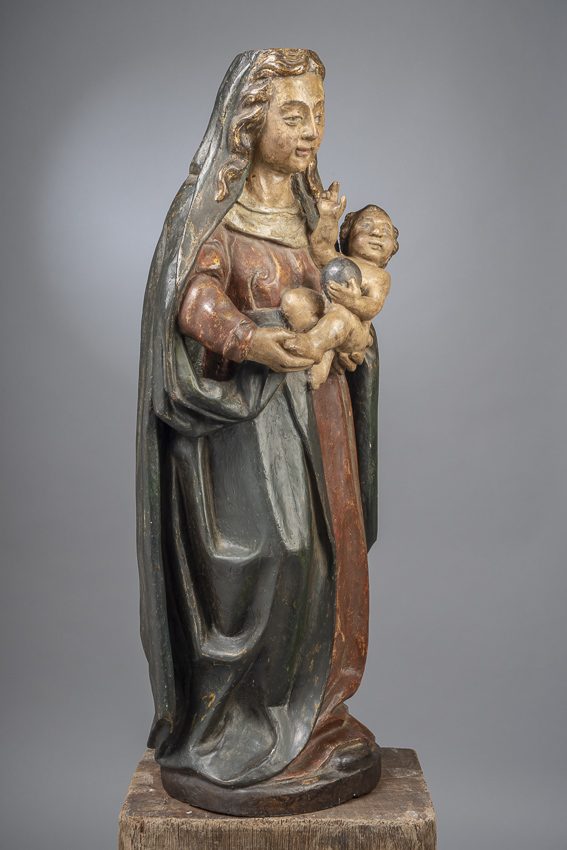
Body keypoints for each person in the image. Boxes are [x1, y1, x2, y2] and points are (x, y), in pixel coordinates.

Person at [136, 48, 381, 815]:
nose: (309, 130)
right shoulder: (211, 210)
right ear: (249, 123)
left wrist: (354, 331)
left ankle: (316, 721)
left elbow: (346, 293)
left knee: (332, 558)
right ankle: (241, 726)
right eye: (292, 114)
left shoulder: (313, 215)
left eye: (317, 114)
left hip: (319, 416)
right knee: (278, 557)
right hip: (246, 428)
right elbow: (192, 299)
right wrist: (250, 339)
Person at [281, 187, 398, 389]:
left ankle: (314, 346)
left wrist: (352, 301)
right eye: (366, 225)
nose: (376, 233)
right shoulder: (340, 260)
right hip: (326, 314)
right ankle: (322, 353)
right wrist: (327, 217)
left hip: (355, 330)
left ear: (392, 249)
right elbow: (320, 249)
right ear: (347, 235)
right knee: (294, 300)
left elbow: (373, 306)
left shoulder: (380, 277)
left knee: (340, 314)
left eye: (385, 231)